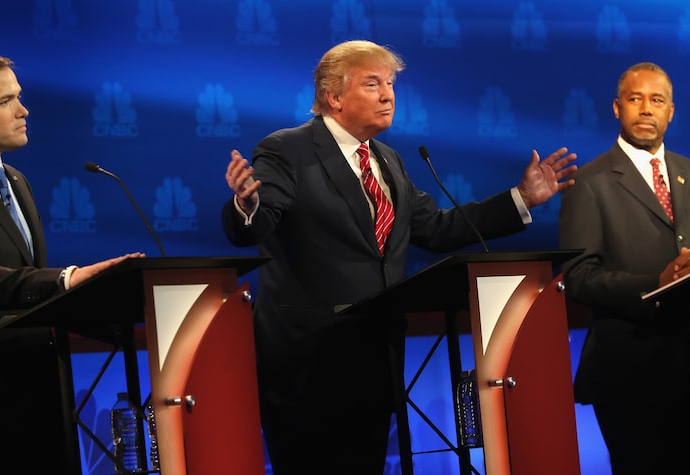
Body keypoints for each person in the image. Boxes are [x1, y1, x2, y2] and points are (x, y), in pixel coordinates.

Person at [221, 39, 576, 474]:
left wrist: (520, 198)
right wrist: (246, 205)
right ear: (334, 96)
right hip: (309, 365)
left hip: (376, 356)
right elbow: (260, 219)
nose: (388, 94)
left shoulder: (387, 160)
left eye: (389, 84)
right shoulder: (286, 149)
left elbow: (438, 228)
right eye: (372, 84)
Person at [0, 51, 144, 474]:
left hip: (39, 392)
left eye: (20, 97)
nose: (23, 110)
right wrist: (69, 278)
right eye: (7, 101)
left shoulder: (16, 181)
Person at [558, 62, 690, 474]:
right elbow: (580, 277)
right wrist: (656, 283)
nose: (646, 109)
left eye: (656, 100)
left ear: (671, 112)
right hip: (629, 370)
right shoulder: (590, 183)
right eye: (635, 99)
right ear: (616, 108)